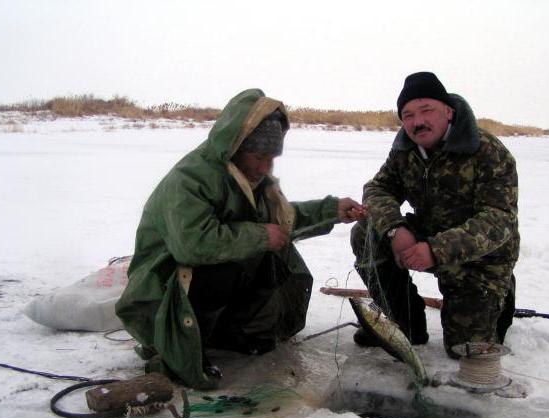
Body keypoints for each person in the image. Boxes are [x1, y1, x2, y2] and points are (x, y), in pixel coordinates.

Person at [116, 88, 365, 388]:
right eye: (258, 156)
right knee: (230, 263)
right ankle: (175, 345)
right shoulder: (189, 179)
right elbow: (192, 244)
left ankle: (227, 333)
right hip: (159, 295)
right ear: (236, 147)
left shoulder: (249, 179)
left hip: (200, 288)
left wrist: (332, 210)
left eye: (271, 158)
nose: (264, 167)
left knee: (268, 255)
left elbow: (282, 222)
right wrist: (260, 236)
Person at [351, 72, 519, 358]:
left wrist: (436, 250)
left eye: (426, 110)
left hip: (480, 259)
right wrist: (394, 229)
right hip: (426, 236)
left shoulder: (488, 152)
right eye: (408, 115)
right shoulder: (405, 150)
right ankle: (404, 322)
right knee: (366, 230)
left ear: (448, 111)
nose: (418, 121)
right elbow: (377, 188)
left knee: (463, 350)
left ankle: (500, 295)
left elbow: (498, 220)